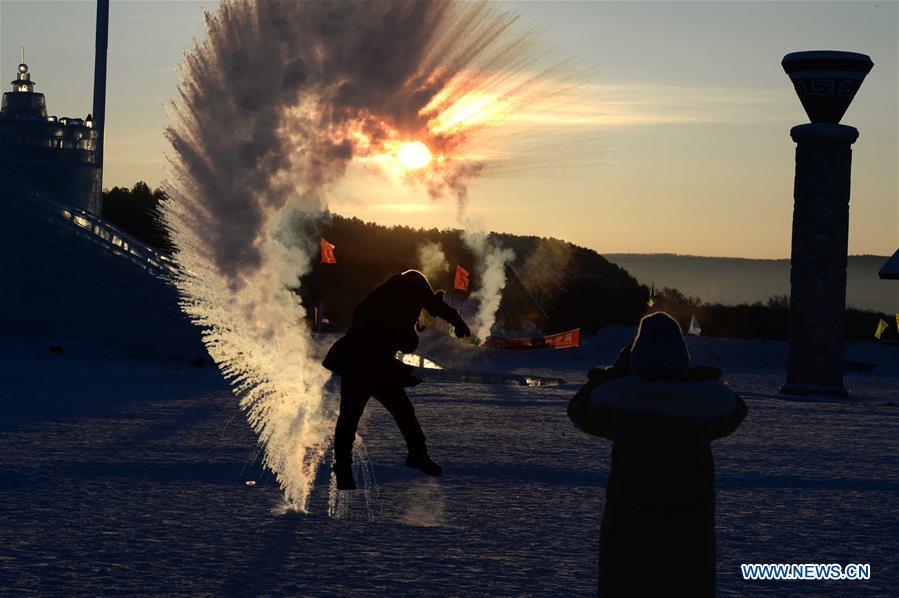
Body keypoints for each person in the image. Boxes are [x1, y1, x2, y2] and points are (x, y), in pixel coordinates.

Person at [567, 312, 747, 597]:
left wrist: (614, 373)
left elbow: (579, 409)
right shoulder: (701, 412)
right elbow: (736, 407)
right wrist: (698, 378)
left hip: (628, 543)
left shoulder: (625, 410)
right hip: (689, 545)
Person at [323, 269, 471, 490]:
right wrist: (457, 320)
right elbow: (432, 306)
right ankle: (416, 454)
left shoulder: (388, 294)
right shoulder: (410, 285)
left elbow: (405, 323)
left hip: (361, 361)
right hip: (371, 362)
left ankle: (343, 466)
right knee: (401, 411)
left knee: (351, 416)